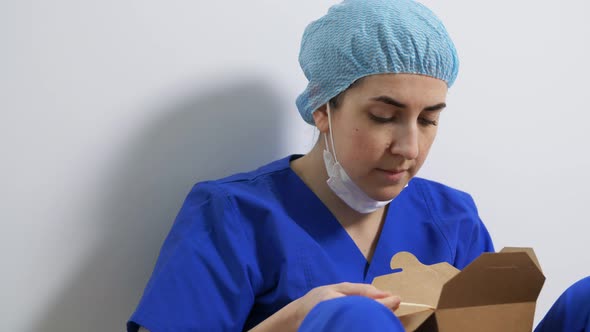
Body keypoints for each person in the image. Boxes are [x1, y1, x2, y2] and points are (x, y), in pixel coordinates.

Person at [127, 0, 589, 331]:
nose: (409, 147)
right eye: (384, 117)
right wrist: (290, 324)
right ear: (323, 110)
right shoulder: (234, 214)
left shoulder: (452, 216)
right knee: (355, 317)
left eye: (428, 120)